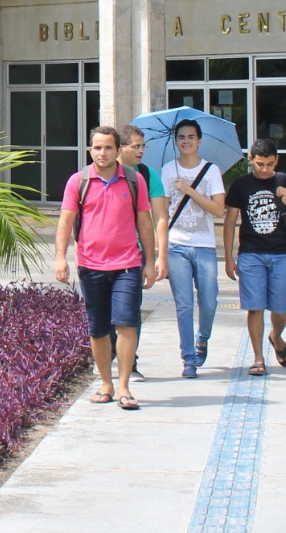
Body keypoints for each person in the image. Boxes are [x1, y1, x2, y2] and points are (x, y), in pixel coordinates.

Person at [55, 126, 157, 410]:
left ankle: (123, 385)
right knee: (98, 328)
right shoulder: (79, 181)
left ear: (118, 150)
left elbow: (144, 223)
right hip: (91, 265)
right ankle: (106, 383)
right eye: (97, 148)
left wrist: (150, 261)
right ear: (90, 150)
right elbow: (66, 221)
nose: (103, 153)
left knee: (126, 323)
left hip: (127, 264)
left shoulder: (134, 181)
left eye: (108, 148)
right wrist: (60, 257)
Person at [223, 139, 286, 377]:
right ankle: (258, 358)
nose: (265, 170)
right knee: (255, 307)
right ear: (250, 159)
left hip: (281, 254)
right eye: (260, 164)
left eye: (270, 164)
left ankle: (276, 337)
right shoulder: (241, 185)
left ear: (277, 161)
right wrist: (229, 258)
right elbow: (230, 221)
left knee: (281, 309)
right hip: (250, 254)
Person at [160, 119, 226, 379]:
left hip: (204, 245)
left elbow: (218, 209)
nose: (185, 141)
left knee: (209, 302)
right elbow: (162, 212)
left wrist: (189, 190)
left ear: (200, 141)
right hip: (177, 245)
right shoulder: (167, 170)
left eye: (190, 137)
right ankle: (188, 359)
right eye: (181, 137)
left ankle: (203, 338)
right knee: (184, 304)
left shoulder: (211, 171)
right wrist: (160, 250)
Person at [118, 125, 167, 380]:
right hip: (103, 254)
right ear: (120, 148)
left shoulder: (147, 176)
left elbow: (160, 218)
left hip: (134, 253)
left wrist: (159, 257)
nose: (140, 151)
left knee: (130, 310)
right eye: (135, 146)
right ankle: (107, 359)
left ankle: (130, 362)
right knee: (103, 312)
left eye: (142, 146)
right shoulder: (97, 175)